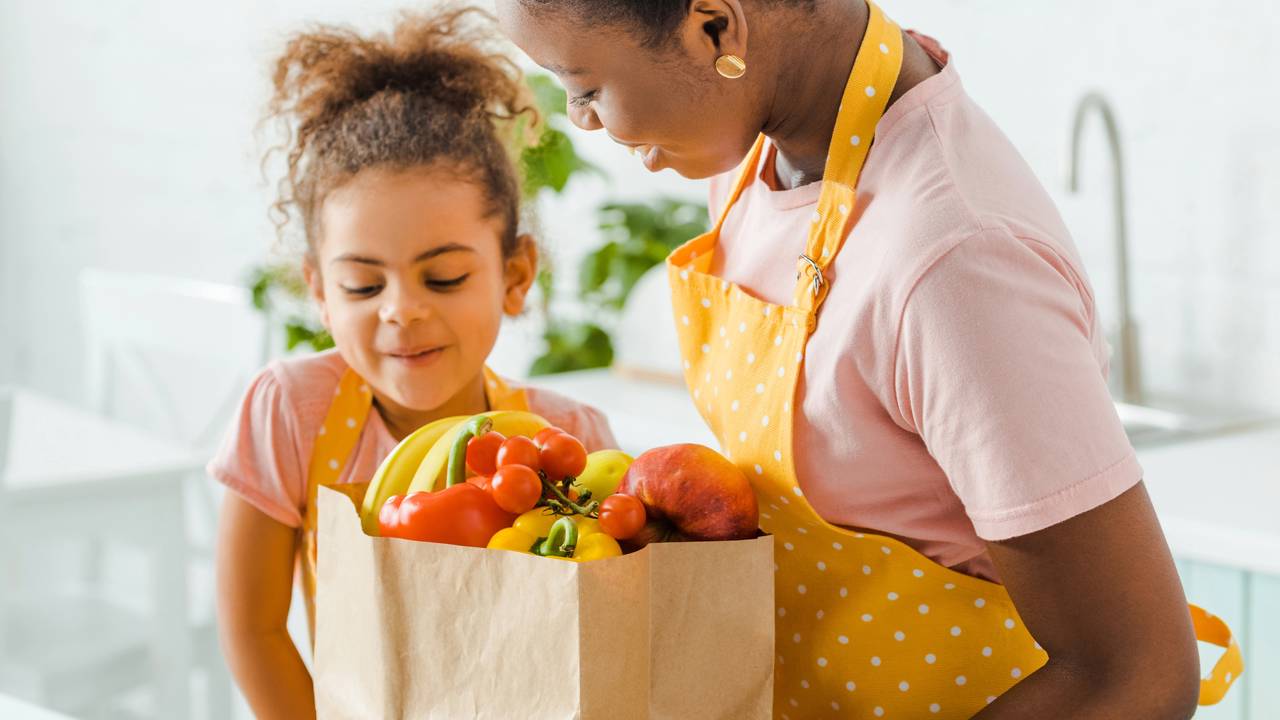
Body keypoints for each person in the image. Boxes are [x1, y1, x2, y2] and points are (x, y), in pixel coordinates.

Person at [496, 0, 1235, 717]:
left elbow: (1131, 677)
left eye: (583, 87)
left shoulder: (953, 263)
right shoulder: (761, 150)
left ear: (714, 27)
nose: (580, 119)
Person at [208, 8, 616, 718]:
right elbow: (253, 629)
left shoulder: (570, 436)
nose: (401, 310)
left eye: (444, 278)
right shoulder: (291, 411)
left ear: (516, 274)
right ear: (320, 293)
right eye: (363, 286)